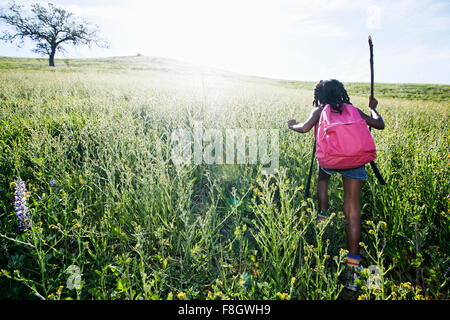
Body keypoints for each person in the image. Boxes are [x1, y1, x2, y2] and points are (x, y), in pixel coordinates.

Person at [287, 79, 385, 291]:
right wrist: (374, 109)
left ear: (319, 95)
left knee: (322, 179)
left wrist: (291, 125)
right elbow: (379, 124)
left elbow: (304, 128)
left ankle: (322, 215)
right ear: (341, 93)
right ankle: (353, 273)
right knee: (353, 213)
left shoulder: (319, 110)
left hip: (330, 160)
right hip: (355, 161)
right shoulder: (353, 109)